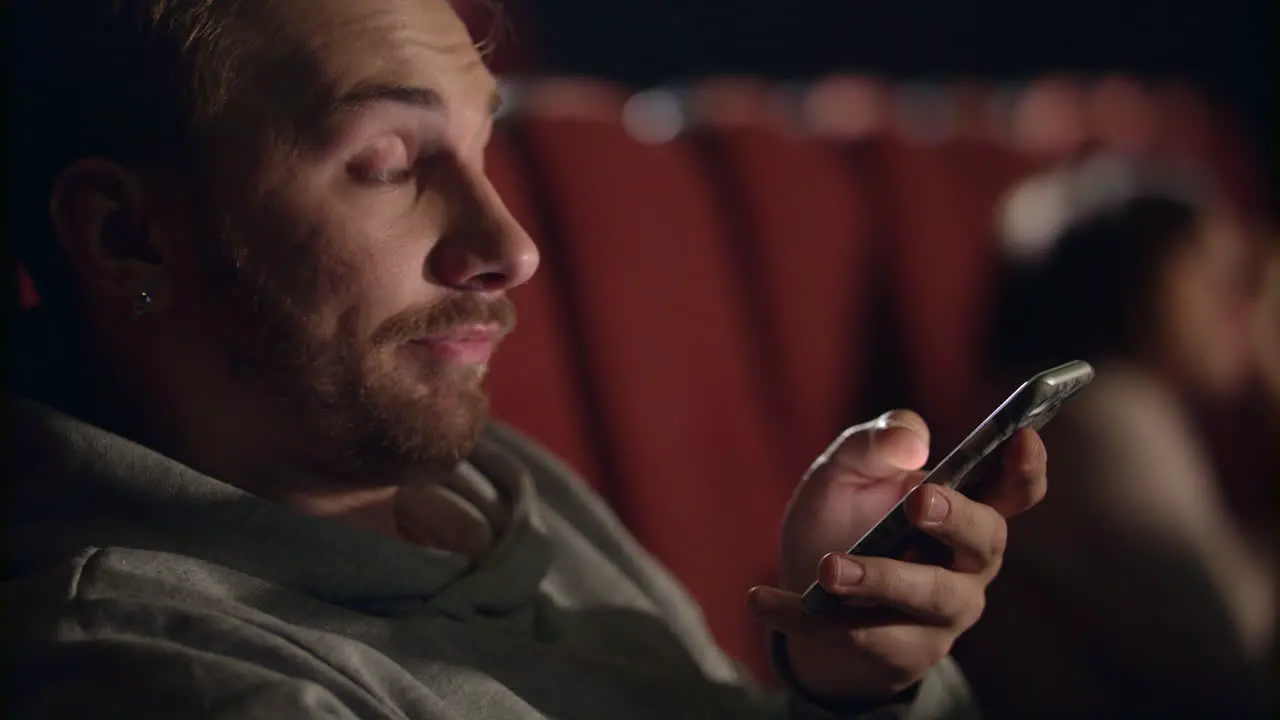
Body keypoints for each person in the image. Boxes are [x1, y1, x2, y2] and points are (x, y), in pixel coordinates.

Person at [3, 1, 1049, 718]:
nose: (511, 247)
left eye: (481, 149)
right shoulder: (151, 671)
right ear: (125, 237)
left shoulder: (482, 473)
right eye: (388, 163)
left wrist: (849, 684)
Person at [954, 156, 1274, 717]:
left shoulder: (1130, 410)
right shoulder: (1105, 421)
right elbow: (1225, 678)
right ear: (1124, 281)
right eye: (1209, 275)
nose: (1241, 307)